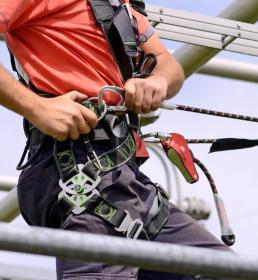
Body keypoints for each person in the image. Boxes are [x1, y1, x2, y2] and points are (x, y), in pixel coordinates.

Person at [0, 0, 231, 279]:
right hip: (80, 168)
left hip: (125, 177)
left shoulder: (121, 7)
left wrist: (156, 82)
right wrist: (37, 108)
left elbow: (167, 63)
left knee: (224, 271)